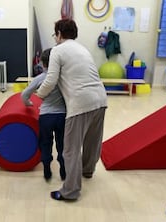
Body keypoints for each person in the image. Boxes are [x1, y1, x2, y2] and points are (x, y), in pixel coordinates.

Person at [36, 19, 107, 201]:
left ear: (59, 33)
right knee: (92, 141)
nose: (55, 38)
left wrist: (39, 94)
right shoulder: (82, 49)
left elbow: (51, 80)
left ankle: (70, 191)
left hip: (81, 103)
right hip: (100, 98)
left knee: (70, 149)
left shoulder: (57, 51)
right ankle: (88, 170)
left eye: (55, 34)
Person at [21, 48, 67, 181]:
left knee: (45, 143)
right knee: (62, 144)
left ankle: (47, 169)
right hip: (62, 116)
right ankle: (63, 171)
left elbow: (24, 95)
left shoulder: (40, 78)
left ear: (43, 63)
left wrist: (29, 103)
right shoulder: (63, 77)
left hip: (46, 116)